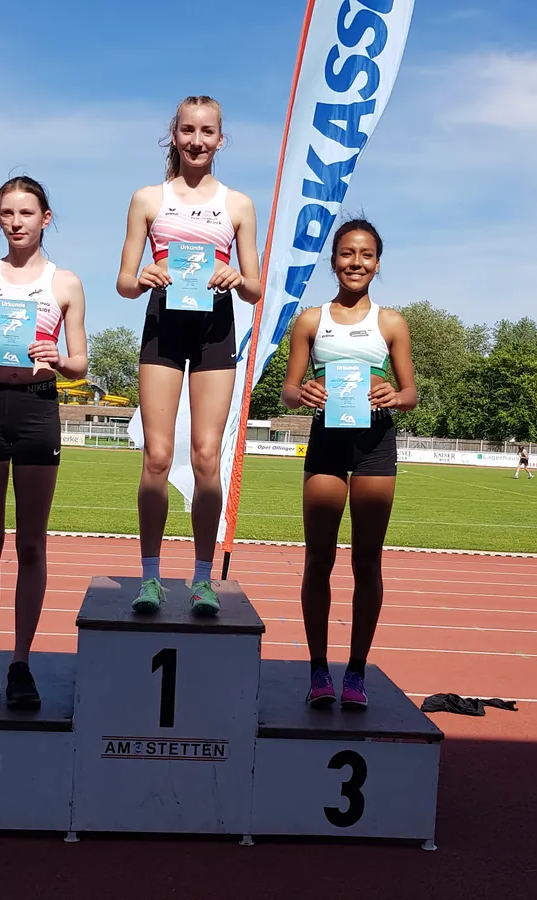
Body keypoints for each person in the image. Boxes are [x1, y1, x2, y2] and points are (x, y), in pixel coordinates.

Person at [117, 95, 262, 616]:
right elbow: (124, 282)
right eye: (187, 131)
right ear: (173, 135)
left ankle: (202, 580)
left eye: (207, 132)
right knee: (156, 456)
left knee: (205, 456)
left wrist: (236, 277)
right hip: (163, 327)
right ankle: (150, 578)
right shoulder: (147, 199)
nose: (196, 141)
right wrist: (144, 277)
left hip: (214, 331)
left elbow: (254, 288)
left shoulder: (238, 204)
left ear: (221, 139)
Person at [0, 175, 88, 708]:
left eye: (26, 213)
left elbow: (80, 362)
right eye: (6, 213)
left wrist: (58, 358)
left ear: (45, 218)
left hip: (36, 410)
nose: (16, 222)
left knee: (32, 544)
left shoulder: (65, 283)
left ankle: (22, 663)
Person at [281, 219, 417, 710]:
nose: (356, 263)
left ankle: (356, 671)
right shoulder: (311, 320)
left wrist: (394, 395)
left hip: (375, 446)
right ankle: (318, 669)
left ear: (377, 264)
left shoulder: (391, 323)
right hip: (327, 446)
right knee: (318, 560)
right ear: (333, 260)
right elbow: (289, 391)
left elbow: (411, 393)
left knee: (367, 561)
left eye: (366, 255)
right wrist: (304, 392)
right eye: (346, 253)